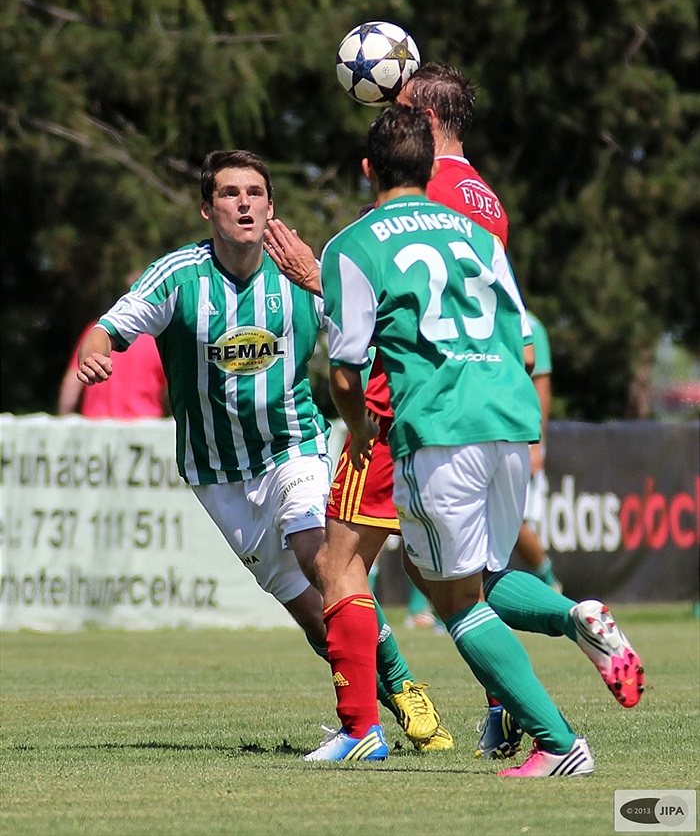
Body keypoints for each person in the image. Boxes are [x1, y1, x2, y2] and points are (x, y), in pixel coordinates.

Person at [265, 62, 644, 763]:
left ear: (415, 133)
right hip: (500, 406)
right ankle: (559, 633)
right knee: (481, 576)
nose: (391, 108)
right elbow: (517, 330)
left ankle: (365, 731)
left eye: (400, 105)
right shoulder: (485, 209)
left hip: (414, 409)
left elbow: (373, 330)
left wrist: (321, 280)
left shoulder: (383, 221)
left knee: (356, 570)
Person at [76, 149, 446, 752]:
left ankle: (396, 696)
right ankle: (374, 700)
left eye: (254, 192)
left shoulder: (303, 276)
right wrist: (96, 350)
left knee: (319, 557)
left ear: (272, 207)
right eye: (228, 193)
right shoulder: (178, 277)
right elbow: (108, 326)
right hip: (217, 473)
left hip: (294, 443)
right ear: (206, 208)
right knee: (312, 615)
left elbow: (370, 331)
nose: (243, 202)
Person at [58, 272, 168, 418]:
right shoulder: (159, 337)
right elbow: (172, 389)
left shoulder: (98, 332)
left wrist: (63, 420)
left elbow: (73, 382)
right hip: (145, 428)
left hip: (98, 427)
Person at [514, 310, 562, 592]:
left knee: (515, 525)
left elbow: (540, 388)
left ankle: (550, 584)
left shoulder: (529, 324)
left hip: (519, 439)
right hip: (484, 437)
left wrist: (535, 443)